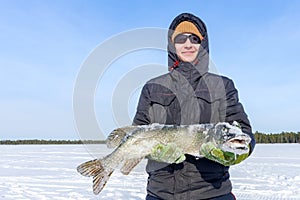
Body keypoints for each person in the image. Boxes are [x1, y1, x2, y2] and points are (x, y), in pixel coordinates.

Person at [133, 13, 256, 200]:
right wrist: (152, 149)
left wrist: (235, 154)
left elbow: (244, 133)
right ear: (172, 45)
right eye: (181, 39)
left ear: (203, 44)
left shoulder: (223, 86)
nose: (188, 44)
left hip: (213, 192)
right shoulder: (153, 87)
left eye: (194, 39)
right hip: (161, 193)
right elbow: (138, 132)